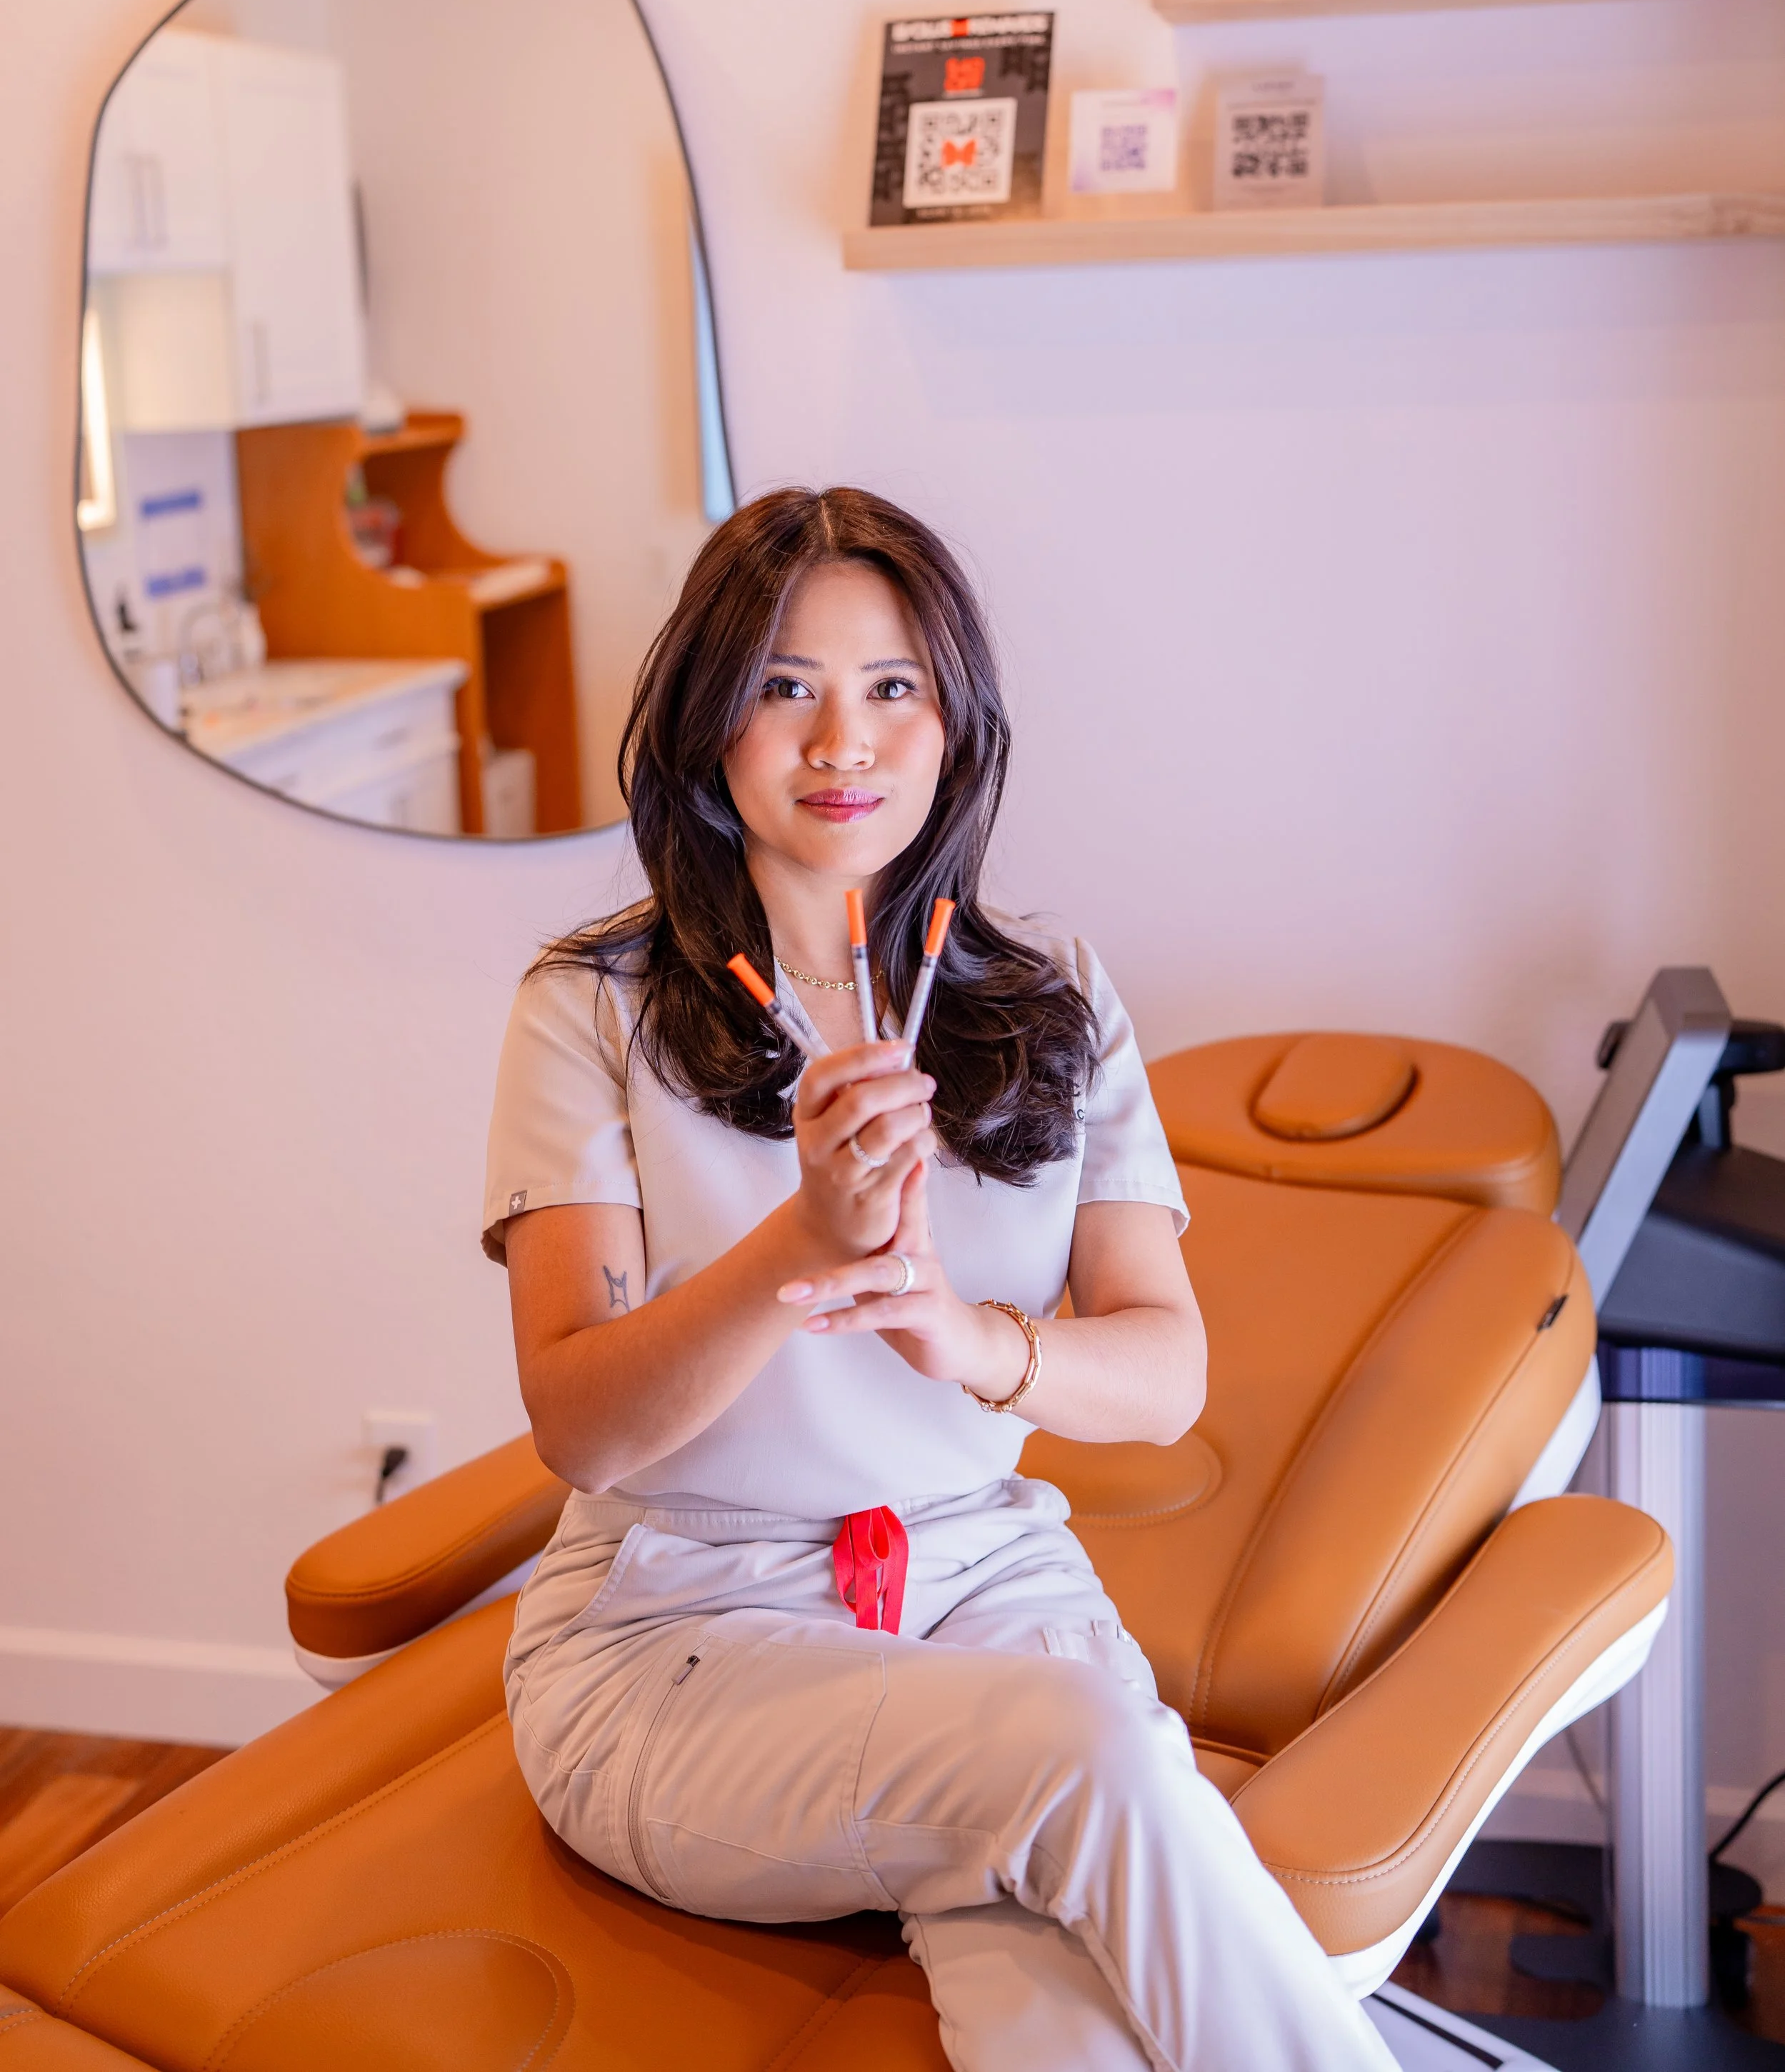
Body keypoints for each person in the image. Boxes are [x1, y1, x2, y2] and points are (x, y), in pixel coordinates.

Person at [483, 487, 1397, 2071]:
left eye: (892, 687)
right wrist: (800, 1253)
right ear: (711, 721)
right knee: (1084, 1748)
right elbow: (581, 1425)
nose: (843, 738)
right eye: (786, 685)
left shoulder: (1047, 1002)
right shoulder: (595, 1009)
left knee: (1076, 2026)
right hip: (680, 1633)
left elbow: (1161, 1372)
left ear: (953, 724)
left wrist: (969, 1339)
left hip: (988, 1586)